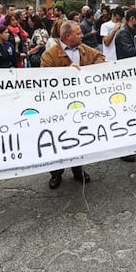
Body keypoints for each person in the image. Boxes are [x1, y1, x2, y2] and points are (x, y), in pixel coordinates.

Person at [41, 20, 105, 188]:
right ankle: (56, 172)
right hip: (59, 107)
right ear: (67, 36)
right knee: (59, 139)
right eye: (78, 33)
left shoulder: (84, 49)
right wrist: (66, 73)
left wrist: (90, 70)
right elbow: (44, 81)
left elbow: (100, 57)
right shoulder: (50, 55)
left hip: (81, 105)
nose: (82, 35)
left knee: (78, 136)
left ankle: (78, 168)